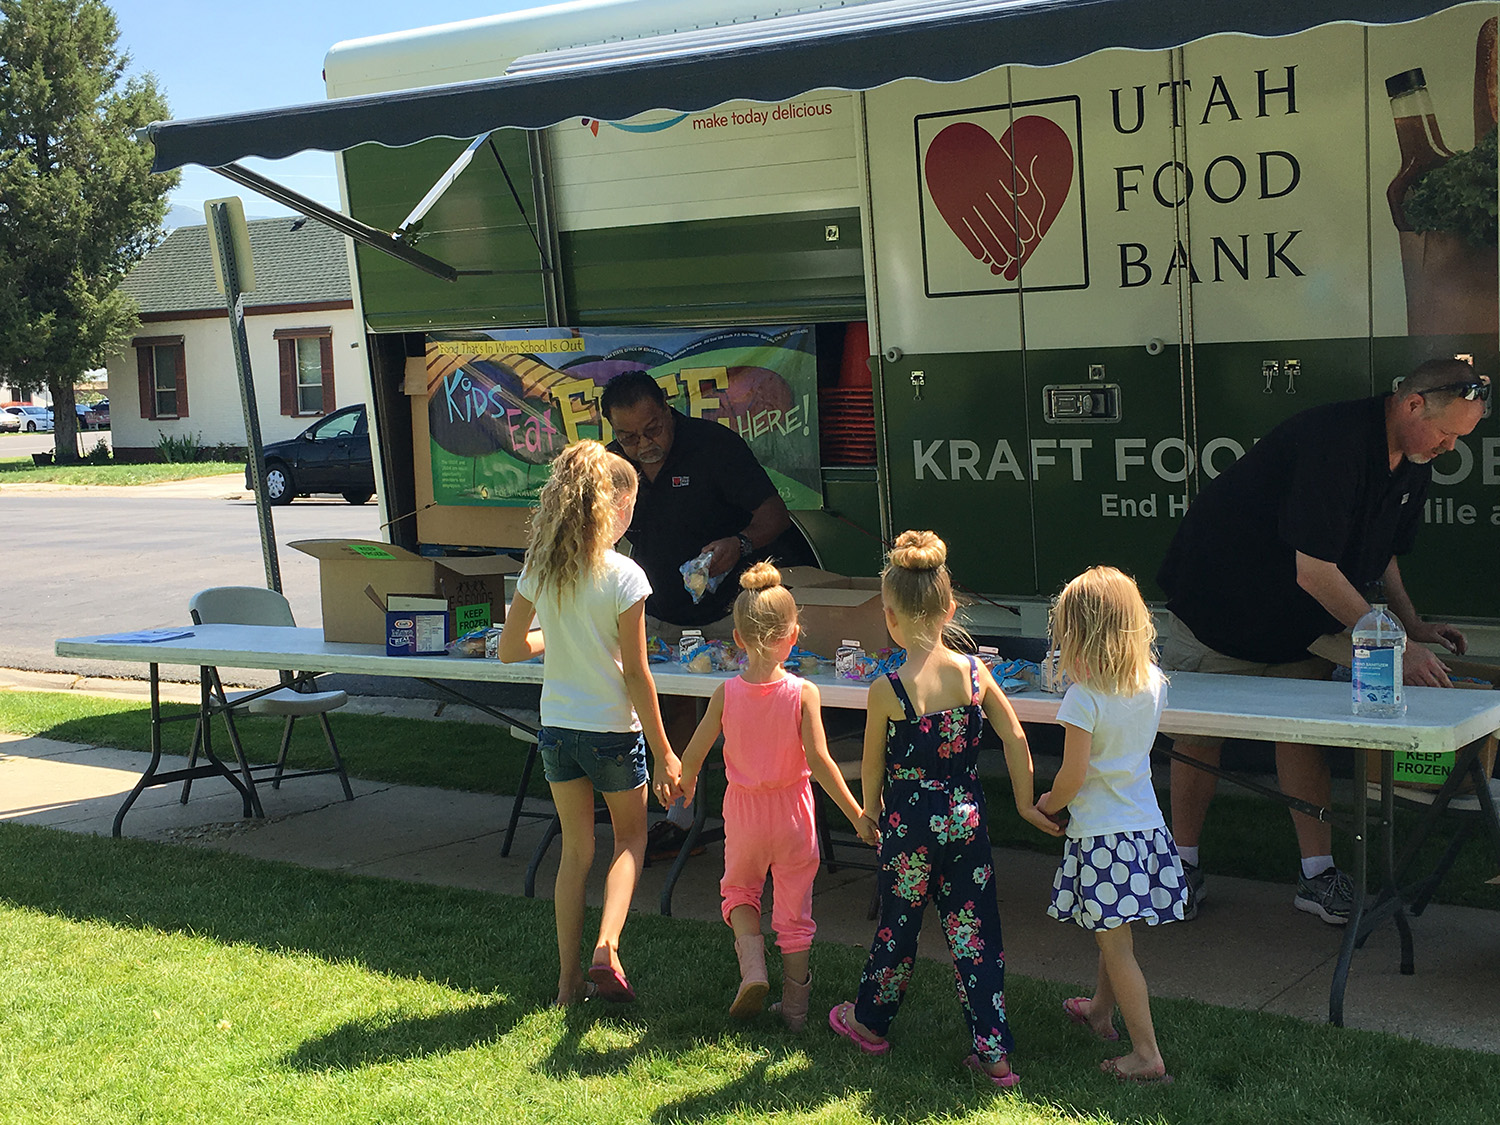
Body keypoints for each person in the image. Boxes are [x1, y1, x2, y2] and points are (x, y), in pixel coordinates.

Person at [1157, 357, 1490, 924]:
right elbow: (1313, 569)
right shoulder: (1333, 442)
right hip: (1218, 608)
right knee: (1198, 739)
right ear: (1413, 404)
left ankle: (1317, 876)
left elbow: (1380, 554)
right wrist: (1396, 645)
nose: (1450, 448)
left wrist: (1411, 627)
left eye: (1461, 438)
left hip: (1299, 625)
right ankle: (1181, 867)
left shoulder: (1413, 458)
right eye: (1447, 432)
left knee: (1303, 735)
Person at [828, 530, 1060, 1087]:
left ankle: (870, 1022)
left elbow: (875, 763)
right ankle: (994, 1053)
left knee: (898, 927)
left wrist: (866, 813)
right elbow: (1016, 739)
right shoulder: (976, 674)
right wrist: (1026, 804)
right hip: (965, 820)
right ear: (951, 608)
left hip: (907, 827)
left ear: (889, 615)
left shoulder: (887, 688)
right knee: (975, 933)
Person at [497, 440, 682, 1007]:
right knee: (631, 838)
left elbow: (508, 650)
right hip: (611, 730)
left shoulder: (541, 569)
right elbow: (636, 674)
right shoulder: (626, 576)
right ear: (617, 507)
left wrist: (555, 637)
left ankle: (565, 983)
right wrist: (666, 750)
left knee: (575, 852)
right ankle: (608, 946)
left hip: (557, 729)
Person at [601, 368, 810, 861]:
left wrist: (737, 544)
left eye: (652, 429)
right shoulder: (614, 464)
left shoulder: (712, 445)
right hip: (659, 606)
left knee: (749, 708)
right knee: (668, 704)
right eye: (628, 436)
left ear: (668, 409)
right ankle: (679, 817)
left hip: (728, 609)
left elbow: (775, 515)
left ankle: (768, 813)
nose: (642, 444)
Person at [676, 561, 874, 1030]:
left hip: (744, 814)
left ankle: (753, 970)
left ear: (738, 639)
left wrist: (683, 784)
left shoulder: (725, 694)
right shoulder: (804, 692)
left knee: (740, 893)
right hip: (793, 814)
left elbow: (697, 749)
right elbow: (821, 761)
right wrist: (856, 812)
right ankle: (796, 1012)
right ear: (794, 634)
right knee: (794, 912)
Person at [1036, 566, 1186, 1085]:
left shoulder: (1084, 698)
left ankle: (1146, 1054)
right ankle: (1100, 1010)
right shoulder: (1152, 684)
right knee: (1113, 934)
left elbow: (1072, 777)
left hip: (1102, 837)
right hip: (1145, 830)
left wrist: (1046, 805)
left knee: (1116, 947)